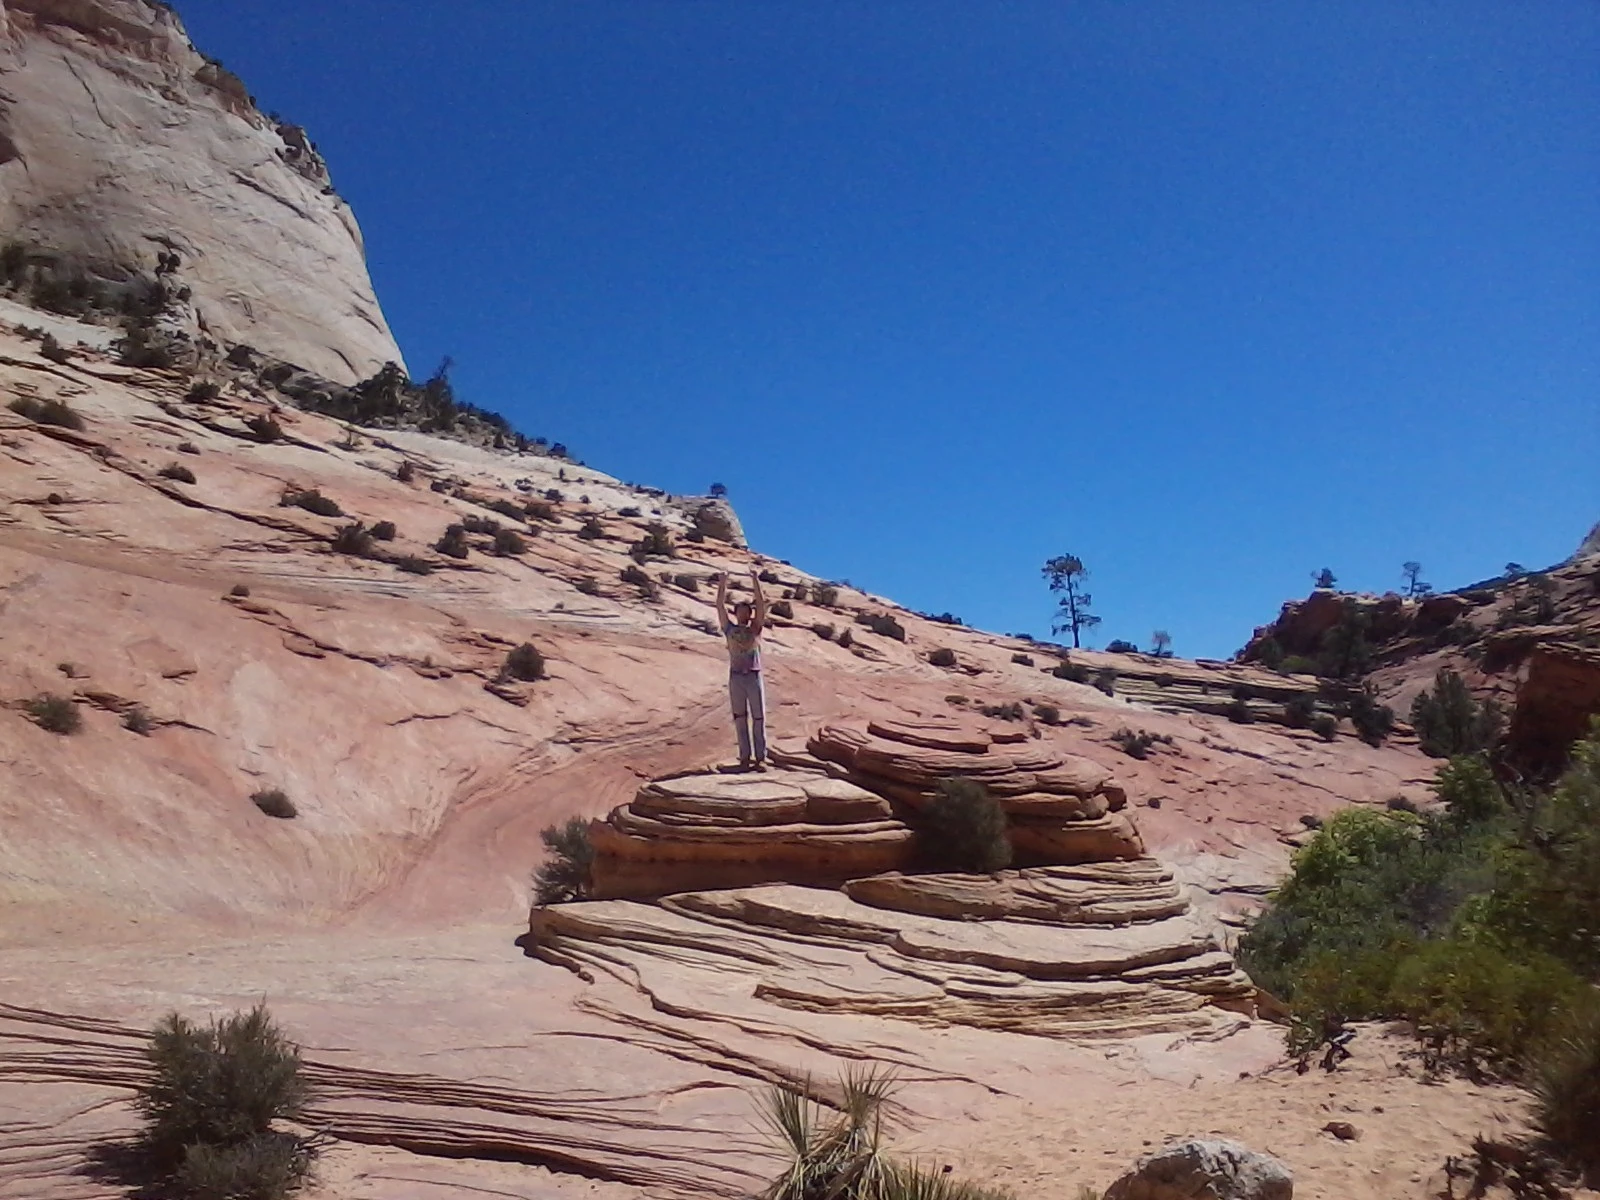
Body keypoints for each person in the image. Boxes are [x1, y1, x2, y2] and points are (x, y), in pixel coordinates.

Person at [715, 565, 769, 771]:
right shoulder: (729, 629)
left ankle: (760, 758)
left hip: (753, 676)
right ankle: (744, 757)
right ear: (736, 613)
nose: (744, 614)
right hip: (736, 677)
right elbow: (719, 606)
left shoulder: (755, 629)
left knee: (758, 717)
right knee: (739, 717)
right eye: (741, 611)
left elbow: (762, 605)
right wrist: (722, 582)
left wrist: (755, 580)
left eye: (747, 611)